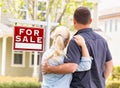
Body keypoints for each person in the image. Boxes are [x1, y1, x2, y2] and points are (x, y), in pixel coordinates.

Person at [43, 7, 113, 88]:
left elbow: (72, 67)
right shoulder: (102, 40)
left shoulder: (75, 40)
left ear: (74, 21)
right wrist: (101, 81)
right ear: (90, 20)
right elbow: (109, 65)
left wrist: (51, 69)